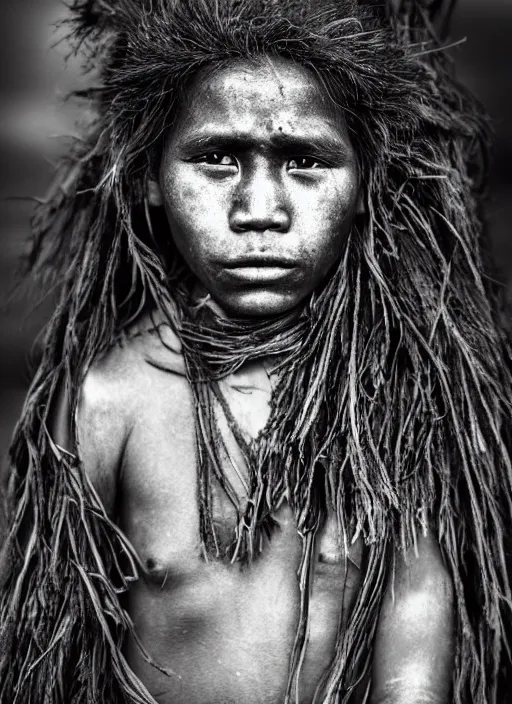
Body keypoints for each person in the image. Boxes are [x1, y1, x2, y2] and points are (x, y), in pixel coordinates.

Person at [1, 0, 511, 702]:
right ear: (148, 176)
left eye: (304, 160)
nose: (260, 209)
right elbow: (49, 651)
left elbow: (414, 626)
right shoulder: (108, 398)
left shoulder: (398, 403)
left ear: (364, 180)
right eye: (216, 157)